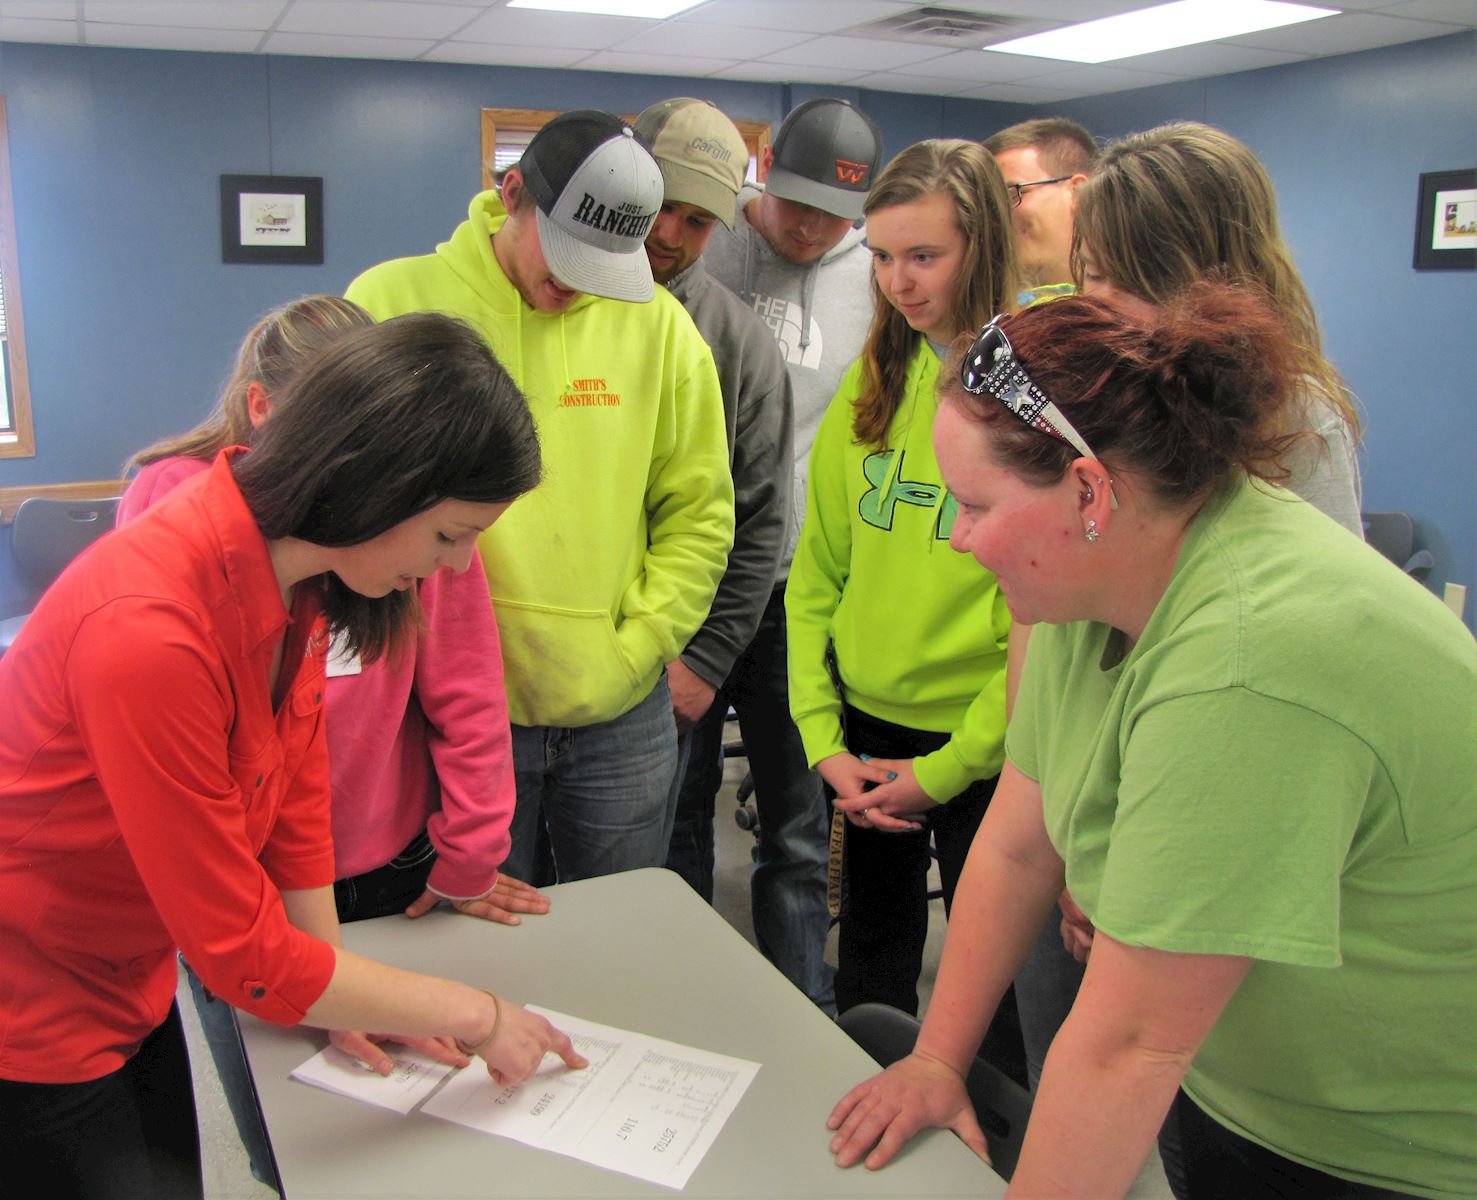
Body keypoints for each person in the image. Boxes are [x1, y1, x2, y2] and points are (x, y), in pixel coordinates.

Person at [826, 289, 1477, 1199]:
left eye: (974, 506)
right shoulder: (1097, 566)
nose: (959, 539)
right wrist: (938, 1060)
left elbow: (1132, 1044)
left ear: (1089, 489)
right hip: (1234, 1081)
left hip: (1385, 1144)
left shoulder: (1246, 659)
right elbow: (1019, 842)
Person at [0, 313, 587, 1200]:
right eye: (447, 536)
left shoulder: (293, 571)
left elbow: (297, 798)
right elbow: (241, 953)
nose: (457, 567)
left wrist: (332, 996)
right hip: (31, 989)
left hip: (128, 969)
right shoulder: (149, 629)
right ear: (374, 485)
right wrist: (479, 1014)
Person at [1007, 119, 1370, 1096]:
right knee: (1066, 1064)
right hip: (1102, 804)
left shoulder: (1295, 424)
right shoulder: (1121, 395)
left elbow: (1281, 678)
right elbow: (1077, 627)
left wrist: (1125, 859)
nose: (1090, 304)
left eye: (1114, 277)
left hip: (1196, 826)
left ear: (1197, 274)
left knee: (1150, 1087)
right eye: (1084, 274)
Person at [346, 110, 732, 887]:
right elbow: (349, 499)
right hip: (443, 712)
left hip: (618, 711)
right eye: (563, 254)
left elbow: (699, 514)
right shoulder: (390, 300)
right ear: (511, 191)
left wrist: (641, 641)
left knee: (618, 938)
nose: (574, 283)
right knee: (475, 950)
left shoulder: (661, 329)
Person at [120, 295, 545, 933]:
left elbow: (465, 694)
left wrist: (471, 850)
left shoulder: (398, 543)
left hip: (367, 862)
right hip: (218, 886)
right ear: (264, 409)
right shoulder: (178, 544)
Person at [786, 138, 1026, 1081]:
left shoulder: (1025, 388)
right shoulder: (875, 379)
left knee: (993, 993)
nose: (896, 282)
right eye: (880, 257)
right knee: (872, 976)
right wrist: (822, 740)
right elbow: (816, 581)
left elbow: (1045, 626)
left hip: (985, 744)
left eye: (922, 257)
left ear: (983, 246)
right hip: (866, 737)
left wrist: (952, 766)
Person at [699, 97, 884, 1011]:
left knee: (798, 828)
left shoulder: (876, 276)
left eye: (835, 214)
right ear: (763, 164)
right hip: (691, 585)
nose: (812, 229)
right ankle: (685, 998)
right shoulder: (703, 244)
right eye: (798, 202)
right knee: (676, 815)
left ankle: (801, 1009)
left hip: (800, 597)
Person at [630, 99, 794, 908]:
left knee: (672, 839)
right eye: (659, 205)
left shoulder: (735, 342)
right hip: (552, 654)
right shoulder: (551, 302)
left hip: (673, 655)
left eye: (696, 222)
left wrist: (703, 663)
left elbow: (761, 518)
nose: (668, 234)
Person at [982, 117, 1099, 307]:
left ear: (1078, 192)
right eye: (988, 201)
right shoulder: (989, 317)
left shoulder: (1127, 313)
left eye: (1012, 193)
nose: (995, 215)